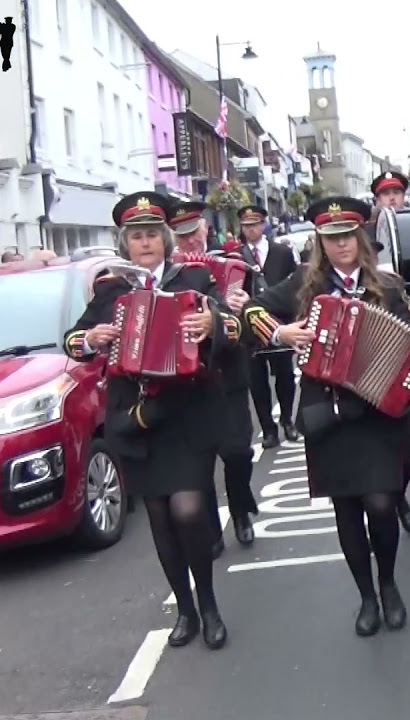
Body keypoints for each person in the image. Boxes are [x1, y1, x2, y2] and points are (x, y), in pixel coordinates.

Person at [242, 195, 410, 636]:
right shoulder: (303, 286)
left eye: (347, 235)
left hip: (380, 412)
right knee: (347, 509)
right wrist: (279, 330)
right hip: (327, 410)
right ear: (320, 242)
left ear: (361, 237)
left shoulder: (388, 288)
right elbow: (249, 310)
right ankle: (366, 597)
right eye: (331, 238)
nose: (341, 245)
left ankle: (388, 583)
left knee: (382, 503)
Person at [62, 191, 241, 649]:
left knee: (188, 510)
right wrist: (92, 337)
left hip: (188, 413)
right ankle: (184, 609)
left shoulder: (194, 278)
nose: (144, 243)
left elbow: (229, 324)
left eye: (151, 235)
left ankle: (210, 604)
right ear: (126, 243)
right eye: (136, 236)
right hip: (137, 417)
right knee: (160, 518)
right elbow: (71, 341)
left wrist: (210, 326)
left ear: (165, 239)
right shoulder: (111, 289)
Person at [169, 200, 259, 549]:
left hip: (231, 371)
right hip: (194, 377)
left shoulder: (233, 264)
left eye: (194, 233)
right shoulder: (171, 273)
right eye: (182, 237)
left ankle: (239, 508)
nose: (190, 242)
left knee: (238, 452)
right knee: (201, 460)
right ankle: (209, 527)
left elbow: (256, 318)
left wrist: (243, 307)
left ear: (206, 228)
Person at [365, 170, 410, 534]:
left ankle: (399, 494)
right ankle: (393, 503)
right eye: (385, 193)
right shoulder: (372, 227)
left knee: (405, 455)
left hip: (405, 326)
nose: (392, 199)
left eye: (397, 193)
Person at [237, 204, 301, 449]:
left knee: (285, 375)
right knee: (256, 380)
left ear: (263, 225)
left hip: (278, 321)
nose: (250, 230)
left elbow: (294, 286)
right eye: (246, 226)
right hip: (249, 324)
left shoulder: (282, 252)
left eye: (254, 225)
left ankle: (287, 420)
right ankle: (268, 430)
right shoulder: (236, 255)